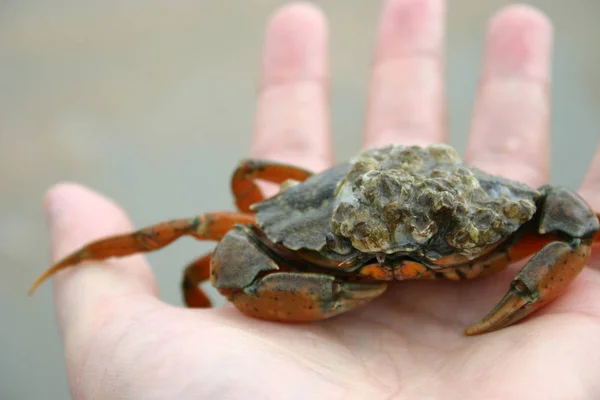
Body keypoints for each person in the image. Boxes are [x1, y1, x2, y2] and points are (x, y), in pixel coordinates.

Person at [44, 1, 600, 398]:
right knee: (215, 244)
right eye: (378, 259)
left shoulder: (529, 215)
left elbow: (576, 226)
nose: (399, 266)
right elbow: (233, 266)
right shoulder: (264, 236)